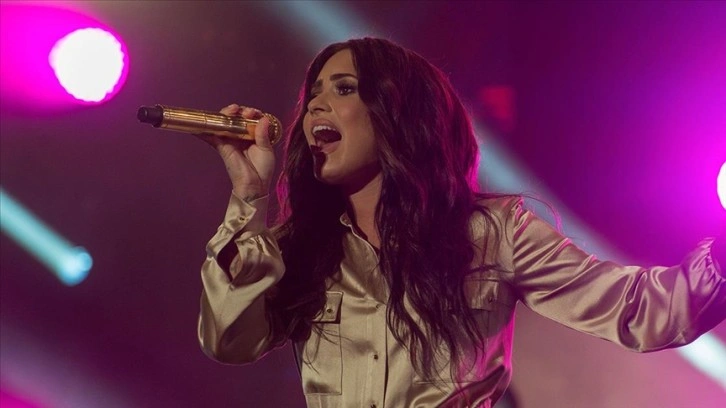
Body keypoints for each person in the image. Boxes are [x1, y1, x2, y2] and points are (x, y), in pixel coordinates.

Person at [196, 37, 726, 407]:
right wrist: (248, 194)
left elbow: (643, 312)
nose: (315, 105)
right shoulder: (301, 249)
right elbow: (228, 340)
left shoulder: (494, 233)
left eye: (344, 88)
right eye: (313, 92)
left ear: (398, 112)